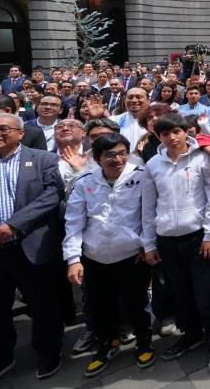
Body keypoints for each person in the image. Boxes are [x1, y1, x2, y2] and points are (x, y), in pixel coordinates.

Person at [63, 133, 155, 378]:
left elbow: (148, 215)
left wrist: (147, 245)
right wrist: (73, 259)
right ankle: (108, 343)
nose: (118, 159)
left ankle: (144, 341)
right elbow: (73, 222)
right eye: (110, 155)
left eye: (122, 153)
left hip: (131, 255)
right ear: (97, 158)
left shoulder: (140, 176)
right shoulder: (84, 181)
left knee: (136, 302)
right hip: (95, 256)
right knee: (100, 305)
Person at [141, 114, 210, 373]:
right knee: (180, 291)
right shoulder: (153, 164)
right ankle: (192, 333)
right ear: (158, 137)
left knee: (205, 292)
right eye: (165, 134)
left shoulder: (203, 157)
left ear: (185, 131)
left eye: (176, 132)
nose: (172, 138)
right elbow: (148, 206)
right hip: (167, 239)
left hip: (198, 237)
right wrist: (149, 243)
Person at [0, 112, 65, 384]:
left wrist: (15, 224)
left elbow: (53, 194)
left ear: (20, 133)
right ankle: (0, 357)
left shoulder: (42, 159)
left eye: (2, 129)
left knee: (42, 304)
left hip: (27, 245)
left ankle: (49, 352)